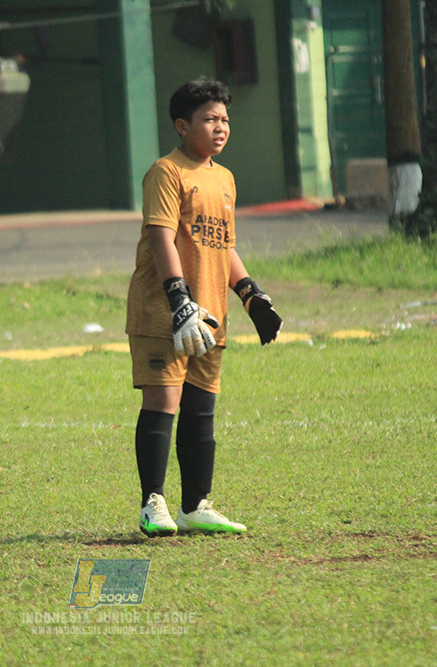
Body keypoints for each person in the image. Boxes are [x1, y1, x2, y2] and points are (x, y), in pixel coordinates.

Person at [126, 78, 282, 537]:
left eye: (225, 119)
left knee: (201, 408)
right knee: (164, 399)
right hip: (163, 309)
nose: (221, 127)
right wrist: (179, 300)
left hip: (211, 312)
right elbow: (160, 236)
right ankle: (153, 503)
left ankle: (196, 505)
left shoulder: (225, 178)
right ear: (182, 125)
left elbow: (224, 244)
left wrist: (251, 295)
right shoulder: (166, 172)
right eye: (210, 119)